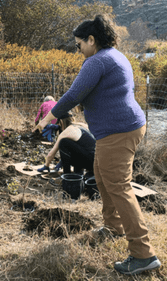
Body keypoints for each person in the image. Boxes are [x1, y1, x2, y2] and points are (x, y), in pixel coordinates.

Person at [33, 14, 161, 275]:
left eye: (79, 44)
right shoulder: (115, 55)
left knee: (119, 187)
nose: (78, 50)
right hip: (118, 129)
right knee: (102, 178)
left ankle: (143, 254)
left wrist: (48, 117)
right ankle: (113, 228)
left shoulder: (97, 61)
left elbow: (73, 94)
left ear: (92, 40)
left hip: (119, 131)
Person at [37, 111, 95, 177]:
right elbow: (81, 148)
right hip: (97, 160)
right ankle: (79, 173)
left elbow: (51, 154)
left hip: (89, 161)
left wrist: (46, 165)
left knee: (63, 142)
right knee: (75, 145)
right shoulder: (82, 125)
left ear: (61, 122)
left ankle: (67, 175)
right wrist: (61, 162)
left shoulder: (67, 131)